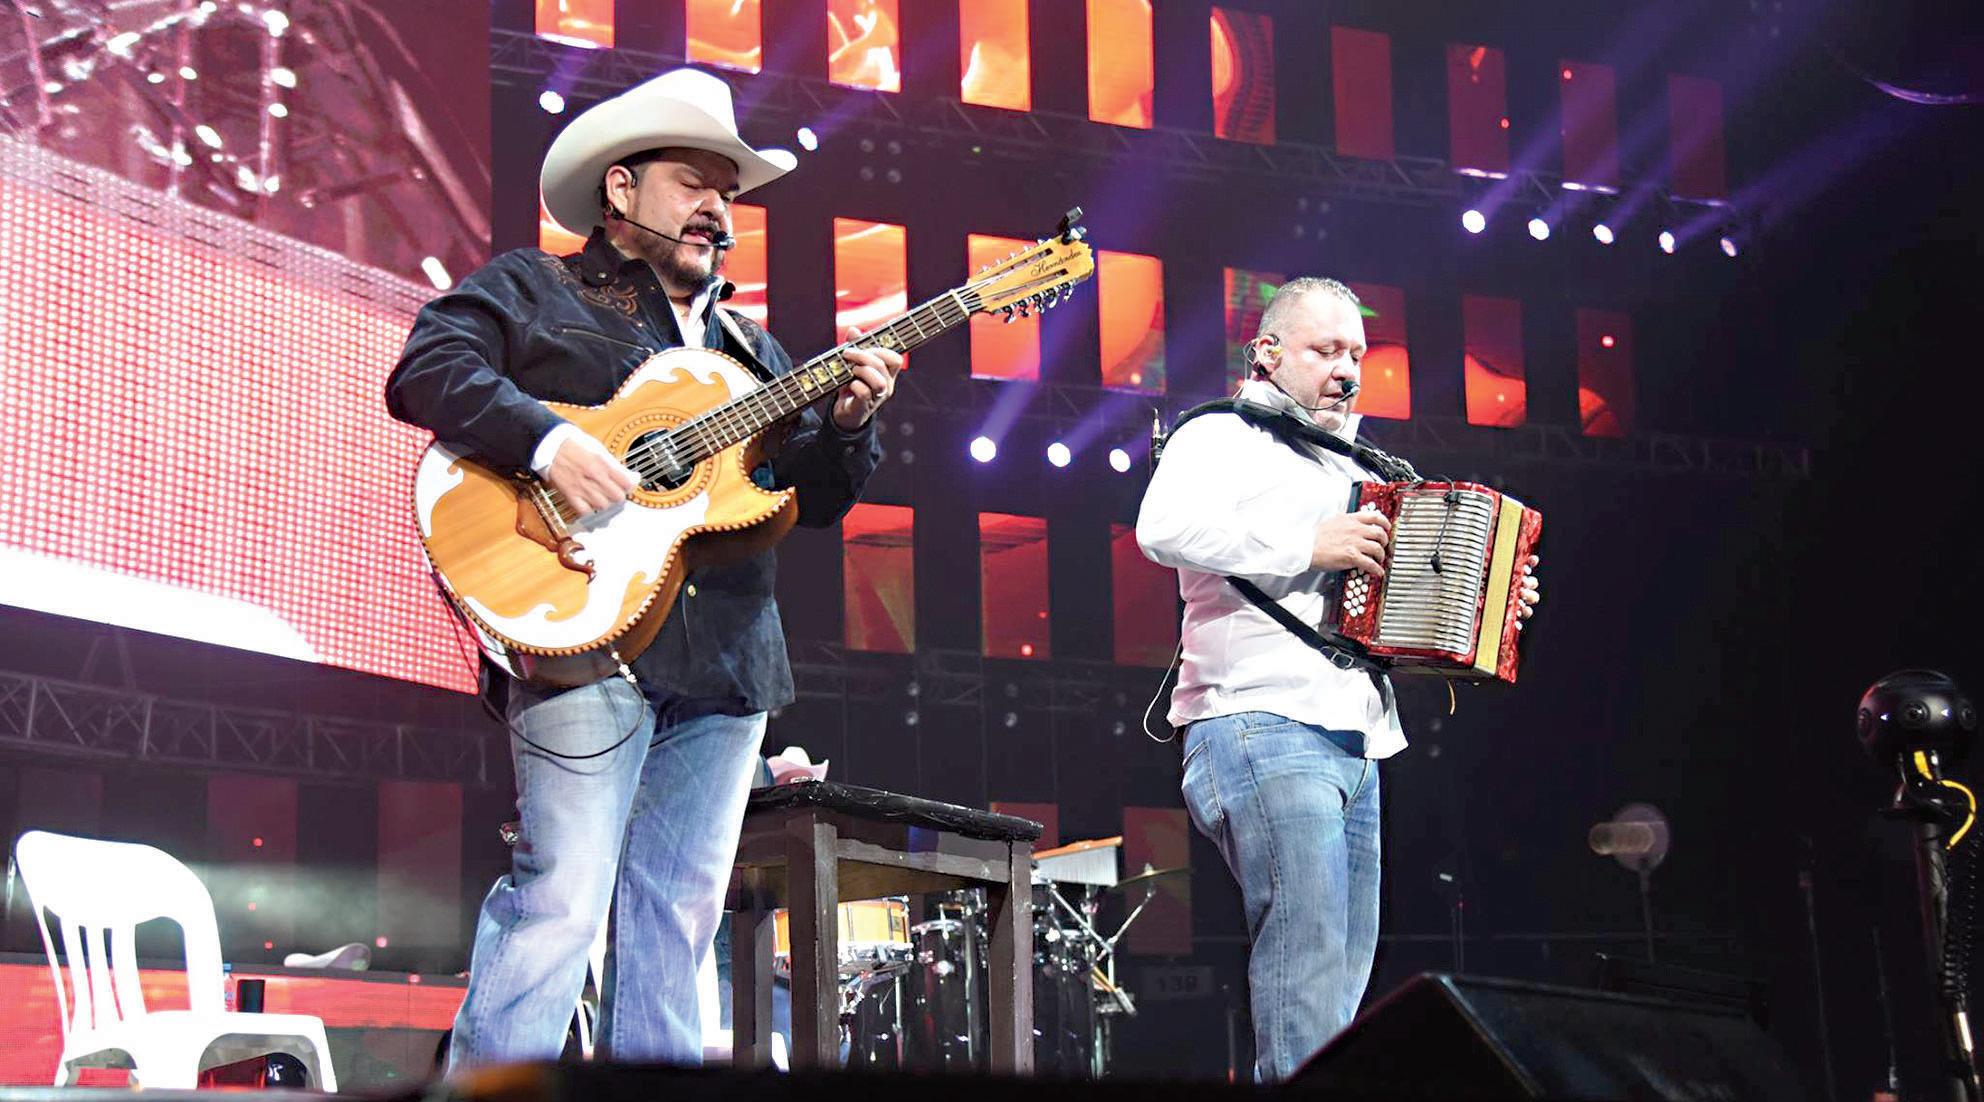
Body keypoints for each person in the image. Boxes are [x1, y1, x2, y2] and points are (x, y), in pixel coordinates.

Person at [384, 68, 902, 1068]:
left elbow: (816, 501)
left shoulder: (754, 351)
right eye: (693, 182)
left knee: (677, 924)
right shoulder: (536, 288)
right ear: (619, 190)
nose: (717, 210)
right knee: (561, 904)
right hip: (582, 634)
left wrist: (848, 425)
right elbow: (427, 369)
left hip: (728, 663)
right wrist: (547, 444)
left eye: (728, 193)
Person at [1136, 277, 1539, 1081]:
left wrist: (1491, 600)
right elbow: (1161, 527)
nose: (1347, 370)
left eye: (1356, 352)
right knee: (1308, 968)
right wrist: (1306, 544)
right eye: (1325, 351)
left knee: (1340, 986)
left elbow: (1392, 606)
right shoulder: (1222, 434)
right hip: (1259, 716)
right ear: (1267, 352)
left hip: (1356, 736)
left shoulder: (1359, 462)